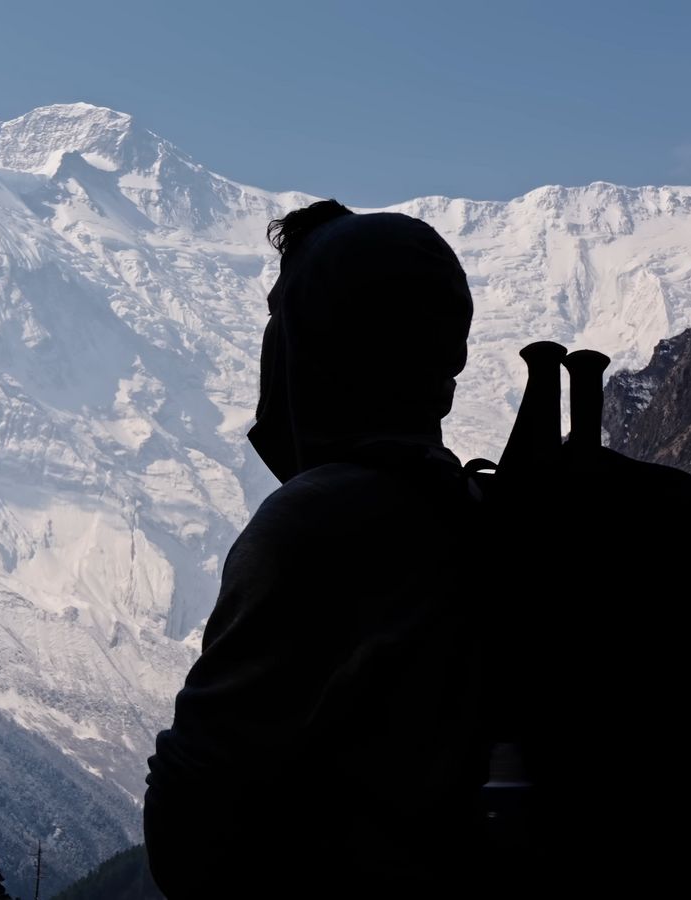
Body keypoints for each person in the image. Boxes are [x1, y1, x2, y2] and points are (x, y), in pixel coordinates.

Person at [141, 199, 481, 897]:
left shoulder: (311, 528)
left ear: (313, 346)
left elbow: (189, 829)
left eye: (282, 324)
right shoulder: (476, 512)